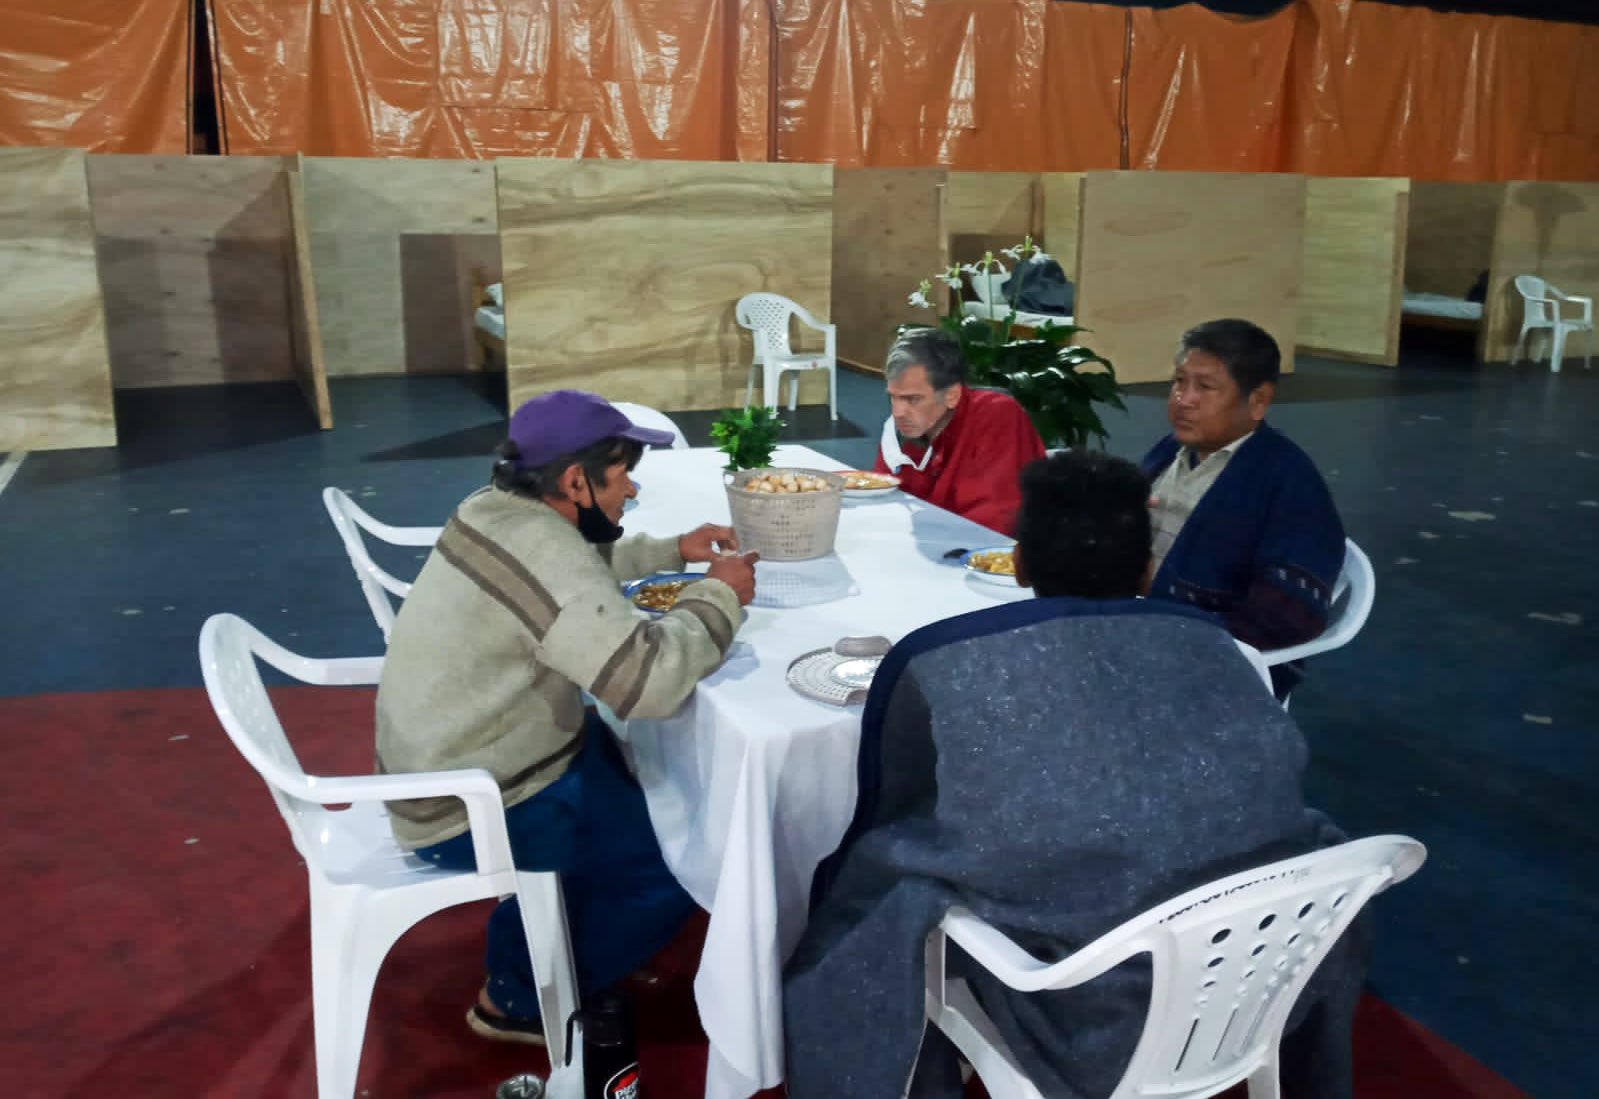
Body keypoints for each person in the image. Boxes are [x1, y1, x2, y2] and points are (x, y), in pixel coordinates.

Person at [784, 450, 1362, 1099]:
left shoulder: (940, 665)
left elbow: (894, 820)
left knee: (876, 890)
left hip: (1075, 1012)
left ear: (1021, 562)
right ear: (1146, 568)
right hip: (1249, 983)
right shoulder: (1224, 651)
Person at [374, 389, 759, 1045]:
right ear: (576, 481)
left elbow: (574, 567)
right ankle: (519, 997)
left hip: (444, 762)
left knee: (647, 784)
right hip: (474, 800)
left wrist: (673, 548)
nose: (632, 488)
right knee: (685, 852)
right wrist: (719, 595)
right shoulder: (548, 552)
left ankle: (550, 938)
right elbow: (648, 683)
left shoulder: (496, 509)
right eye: (621, 474)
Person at [1142, 319, 1345, 682]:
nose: (1183, 400)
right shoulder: (1172, 449)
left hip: (1208, 657)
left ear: (1258, 401)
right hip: (1136, 619)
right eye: (1179, 381)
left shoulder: (1289, 483)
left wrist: (1163, 606)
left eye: (1205, 386)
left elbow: (1288, 617)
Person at [874, 327, 1045, 535]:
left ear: (952, 395)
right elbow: (881, 496)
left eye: (913, 399)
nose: (898, 411)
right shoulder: (904, 428)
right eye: (893, 397)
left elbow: (996, 519)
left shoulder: (997, 416)